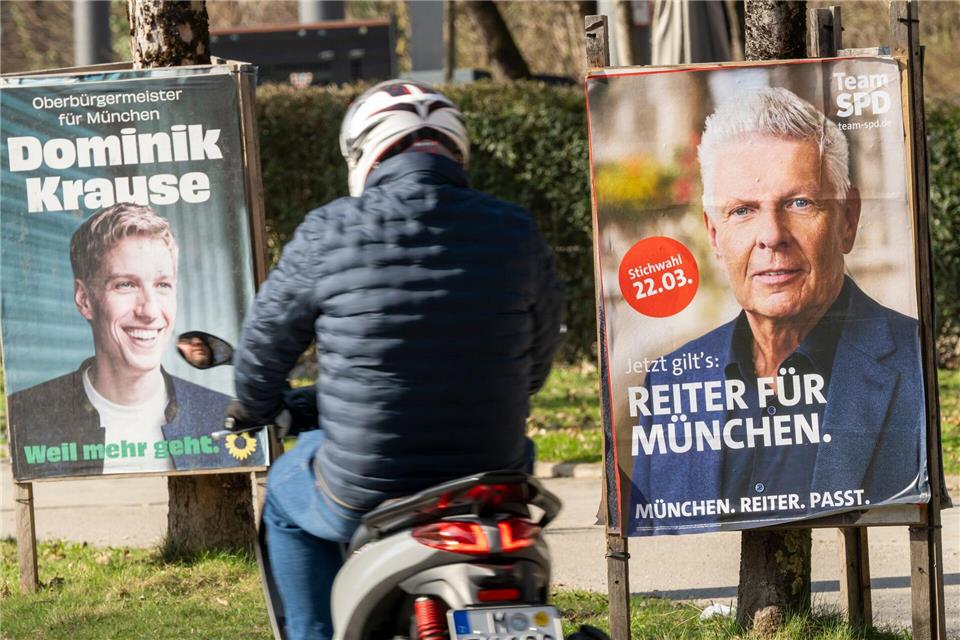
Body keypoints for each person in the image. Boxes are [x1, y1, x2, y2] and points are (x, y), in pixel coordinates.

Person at [228, 79, 564, 640]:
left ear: (365, 153)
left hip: (367, 485)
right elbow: (537, 359)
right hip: (494, 478)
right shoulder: (515, 229)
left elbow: (261, 351)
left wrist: (255, 406)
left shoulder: (328, 231)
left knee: (287, 495)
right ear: (457, 151)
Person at [628, 87, 927, 535]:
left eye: (799, 203)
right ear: (713, 234)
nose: (771, 235)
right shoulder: (671, 382)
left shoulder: (911, 360)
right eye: (743, 211)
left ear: (848, 220)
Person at [8, 203, 264, 479]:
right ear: (84, 299)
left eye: (162, 285)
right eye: (125, 285)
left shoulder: (227, 418)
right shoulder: (28, 417)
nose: (150, 311)